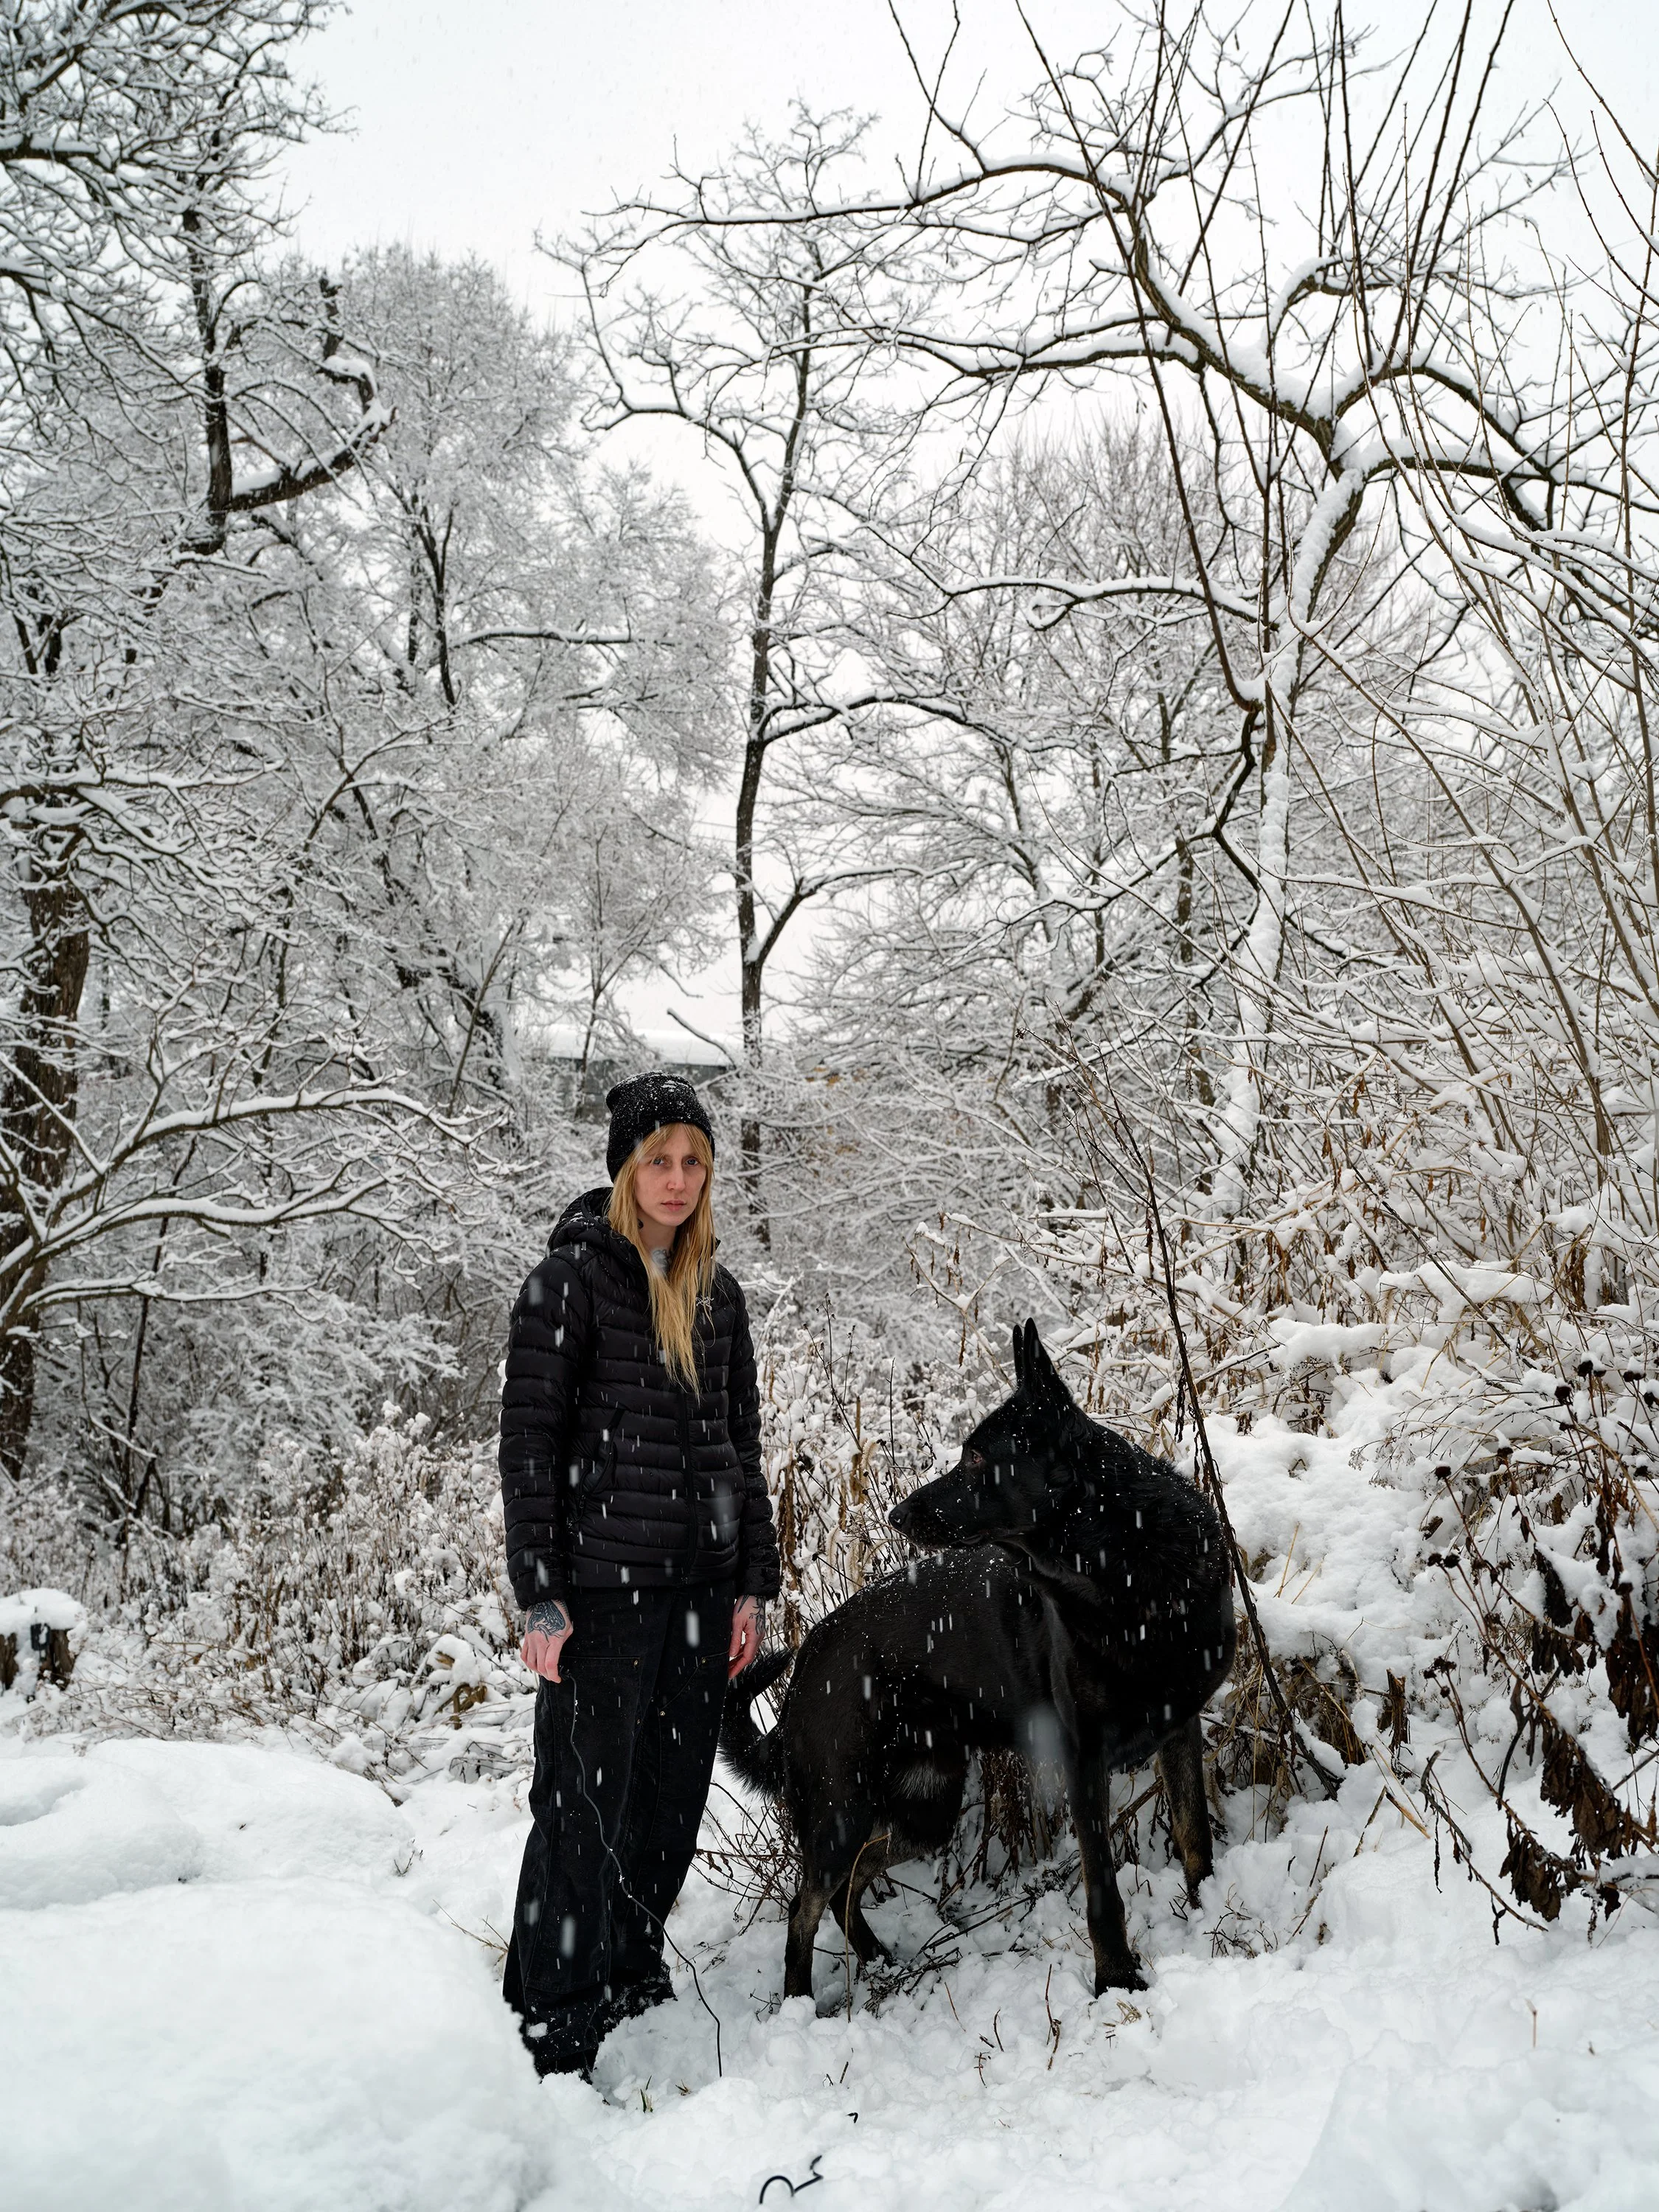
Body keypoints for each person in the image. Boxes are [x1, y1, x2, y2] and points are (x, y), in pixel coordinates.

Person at [498, 1074, 781, 2077]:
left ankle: (627, 1964)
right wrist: (540, 1591)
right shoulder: (567, 1283)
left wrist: (752, 1585)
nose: (674, 1178)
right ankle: (555, 2005)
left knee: (667, 1799)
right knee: (579, 1803)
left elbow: (740, 1451)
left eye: (692, 1160)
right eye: (657, 1158)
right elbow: (528, 1446)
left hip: (700, 1594)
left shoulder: (719, 1295)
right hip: (601, 1594)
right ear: (624, 1165)